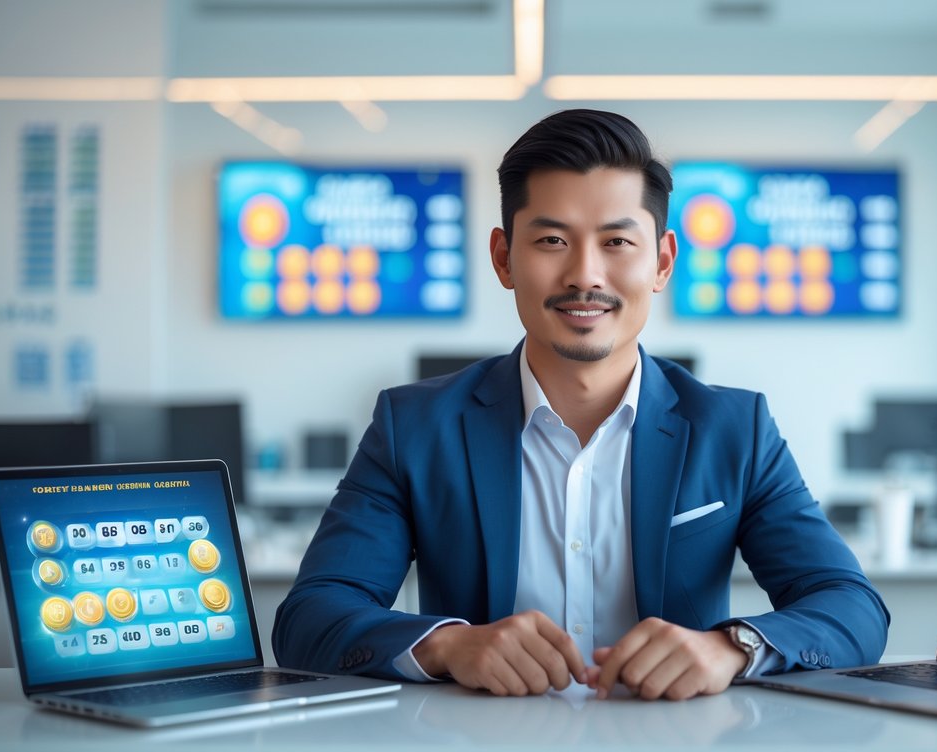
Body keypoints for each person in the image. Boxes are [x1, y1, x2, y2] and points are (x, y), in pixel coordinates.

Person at [273, 109, 889, 701]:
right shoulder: (415, 427)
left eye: (618, 241)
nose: (584, 274)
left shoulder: (734, 429)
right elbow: (311, 618)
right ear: (504, 258)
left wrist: (731, 649)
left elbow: (850, 607)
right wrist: (449, 646)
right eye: (551, 240)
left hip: (675, 750)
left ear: (663, 261)